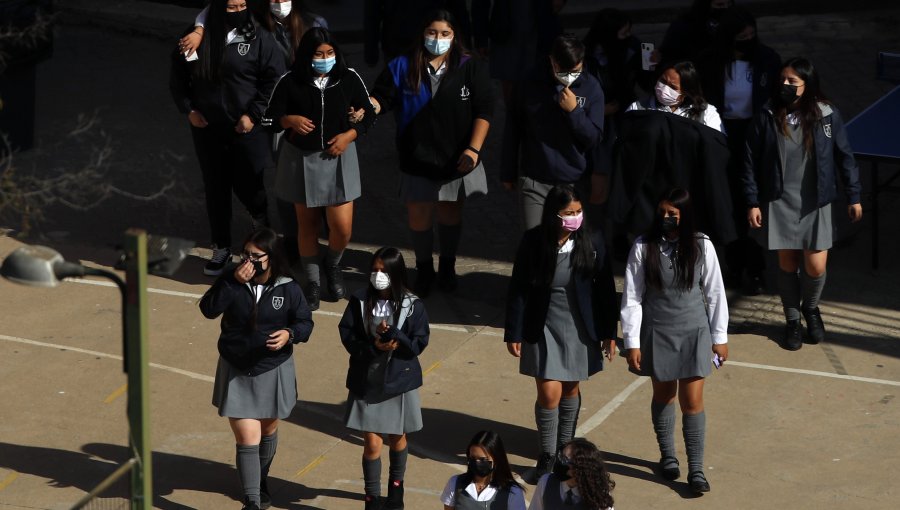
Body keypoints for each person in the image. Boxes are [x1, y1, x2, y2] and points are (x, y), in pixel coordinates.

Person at [369, 9, 495, 297]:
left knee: (450, 211)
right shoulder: (402, 66)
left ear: (455, 37)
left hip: (456, 158)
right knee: (419, 215)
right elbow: (381, 98)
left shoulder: (470, 66)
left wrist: (473, 148)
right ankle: (424, 269)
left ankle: (447, 267)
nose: (438, 39)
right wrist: (370, 107)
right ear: (422, 34)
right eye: (432, 33)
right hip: (417, 157)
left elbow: (484, 109)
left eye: (445, 34)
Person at [743, 57, 862, 350]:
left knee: (815, 266)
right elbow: (749, 159)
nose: (784, 85)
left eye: (792, 82)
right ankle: (793, 320)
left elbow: (844, 156)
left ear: (807, 86)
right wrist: (753, 201)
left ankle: (810, 307)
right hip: (780, 199)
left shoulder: (827, 115)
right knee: (787, 263)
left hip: (815, 201)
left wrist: (854, 195)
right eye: (782, 79)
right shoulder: (768, 113)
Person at [505, 185, 618, 479]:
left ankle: (566, 448)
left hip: (580, 324)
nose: (575, 218)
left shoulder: (592, 240)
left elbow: (605, 289)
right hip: (543, 324)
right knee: (548, 391)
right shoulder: (533, 242)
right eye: (568, 213)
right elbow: (518, 288)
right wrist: (514, 332)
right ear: (553, 215)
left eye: (578, 212)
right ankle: (547, 452)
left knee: (570, 387)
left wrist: (609, 332)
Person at [620, 187, 728, 494]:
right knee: (664, 394)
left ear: (685, 216)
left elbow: (715, 292)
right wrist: (633, 342)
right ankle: (668, 456)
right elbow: (632, 297)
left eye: (673, 214)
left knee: (692, 401)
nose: (666, 218)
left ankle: (696, 470)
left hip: (694, 332)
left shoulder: (702, 245)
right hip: (659, 331)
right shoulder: (643, 246)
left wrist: (719, 338)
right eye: (662, 213)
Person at [199, 228, 314, 510]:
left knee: (267, 429)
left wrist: (290, 334)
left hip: (271, 368)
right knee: (247, 437)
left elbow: (305, 323)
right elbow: (208, 308)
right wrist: (233, 284)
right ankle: (252, 501)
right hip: (237, 368)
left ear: (271, 258)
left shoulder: (288, 287)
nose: (248, 261)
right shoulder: (232, 277)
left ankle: (259, 480)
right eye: (245, 254)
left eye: (256, 256)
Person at [170, 0, 286, 276]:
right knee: (216, 188)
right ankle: (221, 246)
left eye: (240, 6)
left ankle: (262, 242)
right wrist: (189, 110)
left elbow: (275, 80)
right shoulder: (196, 36)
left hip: (247, 130)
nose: (236, 12)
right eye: (230, 7)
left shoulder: (260, 36)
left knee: (251, 187)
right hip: (208, 129)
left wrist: (253, 116)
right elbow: (178, 78)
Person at [265, 27, 375, 310]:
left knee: (342, 228)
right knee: (308, 225)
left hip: (339, 158)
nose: (325, 59)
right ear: (307, 56)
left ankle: (333, 265)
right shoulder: (290, 81)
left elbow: (370, 114)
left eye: (330, 54)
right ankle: (313, 281)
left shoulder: (349, 78)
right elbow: (270, 118)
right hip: (302, 159)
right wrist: (289, 120)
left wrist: (350, 134)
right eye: (319, 54)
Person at [695, 6, 780, 295]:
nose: (747, 40)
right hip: (722, 134)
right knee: (726, 201)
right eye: (741, 36)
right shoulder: (710, 61)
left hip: (753, 134)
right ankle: (734, 264)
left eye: (751, 35)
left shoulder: (767, 59)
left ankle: (755, 268)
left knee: (750, 200)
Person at [338, 247, 430, 510]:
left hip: (398, 380)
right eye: (374, 270)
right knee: (371, 442)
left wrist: (396, 338)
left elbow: (418, 344)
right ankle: (371, 497)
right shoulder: (359, 301)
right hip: (368, 379)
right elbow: (348, 336)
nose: (378, 276)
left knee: (397, 437)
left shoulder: (413, 305)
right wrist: (374, 347)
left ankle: (396, 489)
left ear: (396, 274)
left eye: (383, 271)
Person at [500, 34, 605, 230]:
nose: (568, 76)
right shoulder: (529, 83)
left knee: (570, 247)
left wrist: (575, 112)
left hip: (574, 181)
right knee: (535, 243)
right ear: (552, 61)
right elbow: (513, 126)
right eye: (562, 70)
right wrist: (508, 170)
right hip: (535, 179)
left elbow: (594, 138)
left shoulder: (591, 88)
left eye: (574, 70)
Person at [179, 0, 328, 62]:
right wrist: (199, 30)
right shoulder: (257, 21)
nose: (280, 4)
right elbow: (219, 6)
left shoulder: (314, 24)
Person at [626, 61, 724, 132]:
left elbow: (715, 149)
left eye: (673, 87)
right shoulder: (637, 108)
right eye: (663, 81)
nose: (664, 88)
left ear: (686, 92)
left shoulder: (706, 113)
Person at [440, 430, 527, 510]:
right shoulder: (455, 483)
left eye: (482, 459)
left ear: (496, 459)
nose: (477, 463)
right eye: (473, 458)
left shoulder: (512, 493)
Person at [529, 438, 615, 510]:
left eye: (565, 460)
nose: (559, 462)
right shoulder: (546, 481)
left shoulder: (600, 496)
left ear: (581, 469)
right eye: (560, 455)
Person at [657, 0, 735, 64]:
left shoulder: (734, 22)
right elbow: (668, 54)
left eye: (729, 4)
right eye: (720, 4)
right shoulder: (684, 25)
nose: (726, 7)